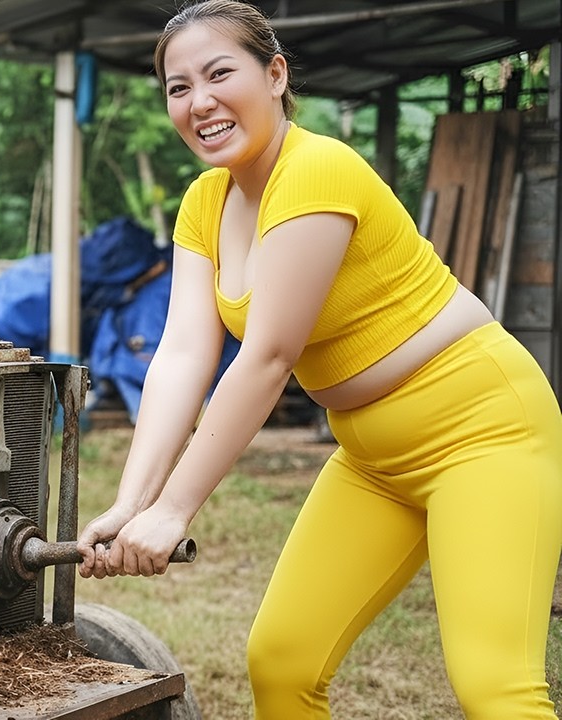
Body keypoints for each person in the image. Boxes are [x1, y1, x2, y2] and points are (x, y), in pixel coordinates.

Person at [75, 1, 562, 718]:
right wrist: (132, 503)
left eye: (219, 73)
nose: (199, 102)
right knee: (284, 663)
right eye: (178, 87)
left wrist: (176, 507)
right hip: (373, 459)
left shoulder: (316, 170)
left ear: (274, 74)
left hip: (482, 430)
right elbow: (181, 356)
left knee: (493, 686)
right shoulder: (205, 203)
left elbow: (269, 357)